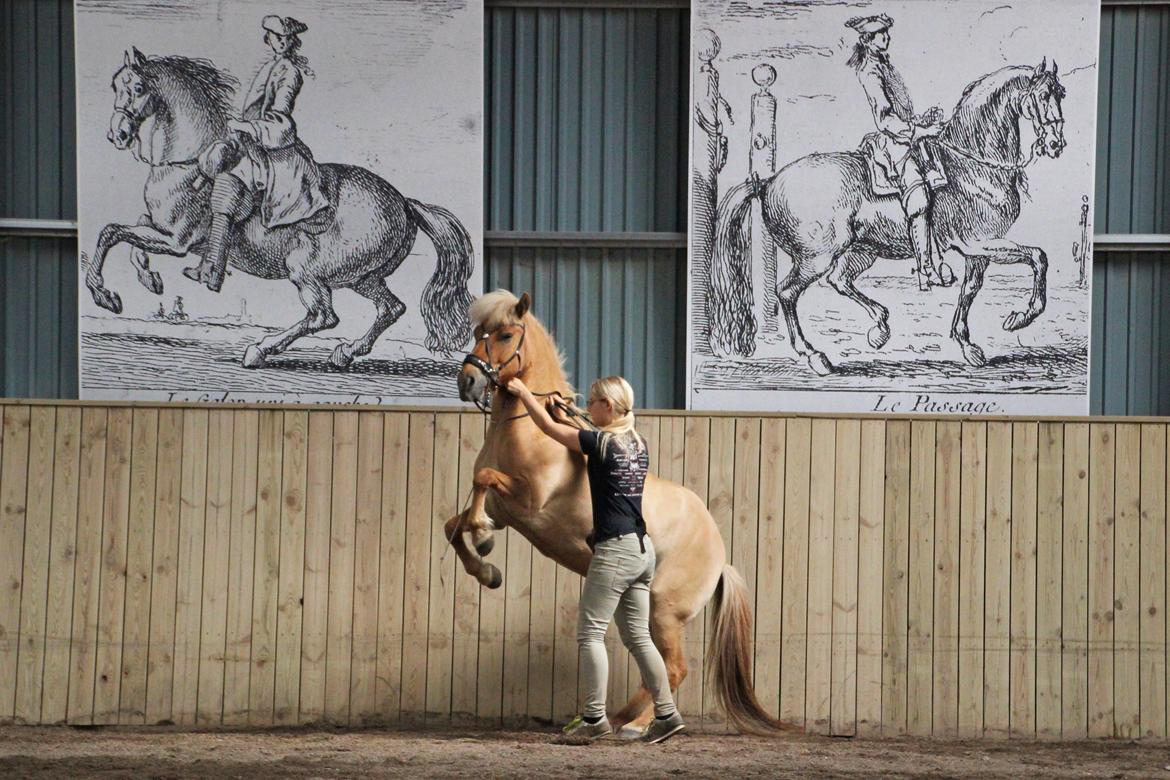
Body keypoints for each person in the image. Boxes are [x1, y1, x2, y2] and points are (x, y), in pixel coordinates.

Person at [506, 374, 686, 744]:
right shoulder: (637, 443)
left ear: (608, 406)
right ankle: (666, 715)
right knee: (638, 637)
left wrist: (525, 391)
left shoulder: (601, 442)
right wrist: (570, 409)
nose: (588, 407)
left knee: (591, 633)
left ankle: (593, 718)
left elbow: (549, 428)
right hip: (642, 550)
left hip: (615, 550)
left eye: (593, 402)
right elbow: (588, 429)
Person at [184, 14, 331, 292]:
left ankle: (212, 270)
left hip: (272, 150)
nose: (282, 43)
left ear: (292, 42)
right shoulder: (271, 67)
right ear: (270, 39)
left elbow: (280, 120)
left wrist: (245, 126)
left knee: (226, 189)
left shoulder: (289, 71)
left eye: (286, 39)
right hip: (251, 142)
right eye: (278, 38)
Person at [847, 13, 948, 291]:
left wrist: (922, 120)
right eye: (882, 34)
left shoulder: (886, 65)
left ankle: (938, 257)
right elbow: (885, 120)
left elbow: (902, 111)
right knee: (919, 200)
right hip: (893, 143)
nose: (887, 37)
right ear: (868, 40)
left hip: (910, 134)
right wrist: (919, 132)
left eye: (887, 33)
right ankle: (925, 270)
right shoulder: (869, 70)